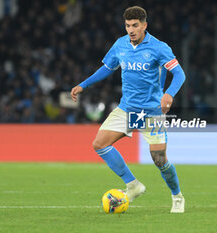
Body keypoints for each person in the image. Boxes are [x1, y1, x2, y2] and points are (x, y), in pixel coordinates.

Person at [70, 6, 186, 213]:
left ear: (144, 26)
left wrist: (169, 94)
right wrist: (83, 85)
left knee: (160, 160)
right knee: (99, 144)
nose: (130, 30)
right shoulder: (120, 45)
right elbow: (107, 68)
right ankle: (133, 185)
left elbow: (179, 74)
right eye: (127, 25)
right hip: (127, 109)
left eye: (135, 25)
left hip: (152, 111)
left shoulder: (159, 48)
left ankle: (177, 196)